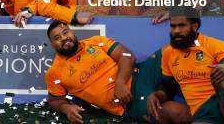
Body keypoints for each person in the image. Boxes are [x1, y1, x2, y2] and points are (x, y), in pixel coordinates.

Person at [45, 21, 189, 124]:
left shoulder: (95, 41)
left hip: (140, 73)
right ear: (52, 44)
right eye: (57, 38)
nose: (64, 38)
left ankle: (207, 80)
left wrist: (120, 83)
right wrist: (66, 108)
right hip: (129, 102)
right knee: (177, 113)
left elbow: (126, 55)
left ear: (72, 32)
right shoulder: (55, 72)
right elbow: (55, 100)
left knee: (174, 49)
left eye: (65, 32)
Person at [147, 14, 224, 124]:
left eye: (182, 26)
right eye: (173, 26)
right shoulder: (168, 53)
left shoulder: (215, 45)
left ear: (194, 26)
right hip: (202, 112)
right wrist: (156, 95)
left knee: (222, 77)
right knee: (162, 111)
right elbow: (167, 87)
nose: (176, 31)